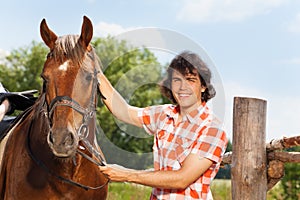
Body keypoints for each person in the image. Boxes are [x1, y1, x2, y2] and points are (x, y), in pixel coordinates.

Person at [97, 50, 228, 200]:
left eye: (190, 80)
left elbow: (182, 179)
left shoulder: (212, 128)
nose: (182, 87)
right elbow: (124, 111)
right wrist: (96, 72)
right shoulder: (164, 114)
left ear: (203, 86)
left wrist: (127, 175)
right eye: (177, 80)